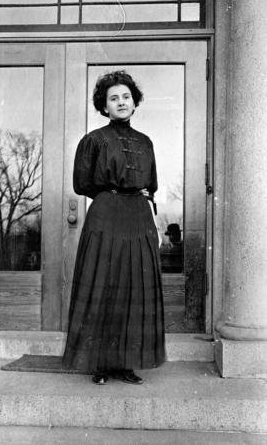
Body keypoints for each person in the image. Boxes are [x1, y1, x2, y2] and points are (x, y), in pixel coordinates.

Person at [62, 70, 165, 385]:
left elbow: (151, 187)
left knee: (135, 288)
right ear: (104, 106)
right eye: (114, 98)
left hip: (139, 216)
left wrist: (153, 220)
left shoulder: (146, 143)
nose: (121, 102)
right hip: (106, 213)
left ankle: (127, 363)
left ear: (134, 103)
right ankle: (101, 364)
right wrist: (112, 197)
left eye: (126, 97)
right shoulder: (93, 140)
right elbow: (82, 183)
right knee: (104, 284)